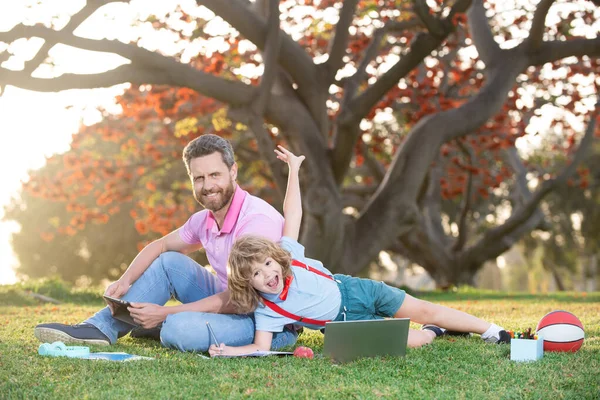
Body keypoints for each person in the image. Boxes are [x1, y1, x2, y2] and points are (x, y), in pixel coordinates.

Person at [208, 146, 510, 357]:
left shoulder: (290, 255)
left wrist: (294, 170)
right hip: (346, 326)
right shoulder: (267, 310)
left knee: (422, 308)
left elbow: (293, 213)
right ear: (249, 283)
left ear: (276, 257)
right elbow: (261, 346)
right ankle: (434, 331)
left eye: (267, 264)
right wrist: (228, 350)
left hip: (356, 290)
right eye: (256, 274)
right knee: (417, 340)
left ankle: (490, 330)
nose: (268, 274)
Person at [34, 134, 298, 352]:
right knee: (169, 262)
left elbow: (240, 299)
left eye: (215, 175)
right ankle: (99, 328)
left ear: (233, 172)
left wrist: (165, 314)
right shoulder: (204, 220)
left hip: (266, 321)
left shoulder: (255, 222)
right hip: (227, 302)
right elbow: (160, 246)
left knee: (176, 329)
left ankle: (161, 324)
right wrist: (126, 281)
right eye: (199, 178)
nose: (208, 186)